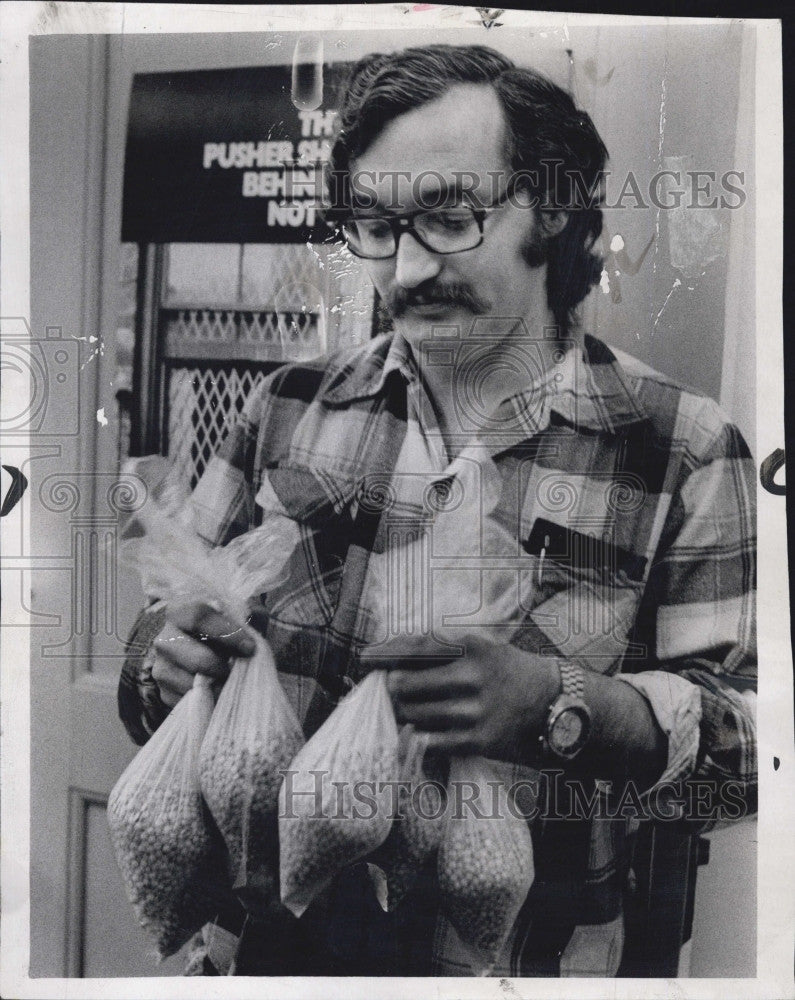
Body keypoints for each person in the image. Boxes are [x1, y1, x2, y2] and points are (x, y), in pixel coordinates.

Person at [118, 44, 756, 977]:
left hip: (517, 968)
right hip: (261, 956)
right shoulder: (286, 410)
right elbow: (158, 646)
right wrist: (157, 664)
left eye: (449, 217)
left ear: (557, 206)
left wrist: (563, 707)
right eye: (373, 225)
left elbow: (745, 764)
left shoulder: (682, 449)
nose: (407, 269)